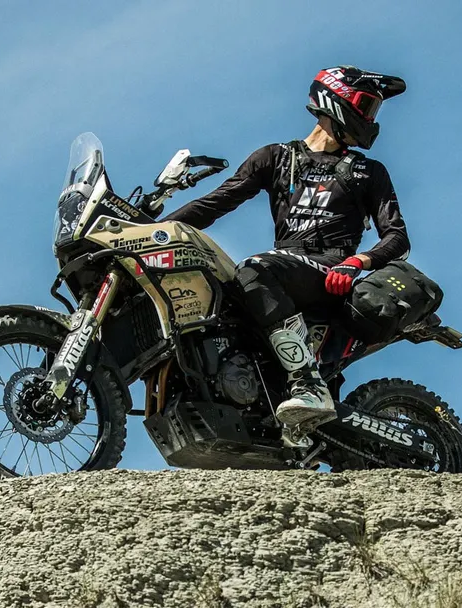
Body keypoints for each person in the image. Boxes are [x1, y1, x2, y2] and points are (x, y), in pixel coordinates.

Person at [164, 65, 410, 433]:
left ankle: (308, 383)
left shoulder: (367, 171)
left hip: (331, 265)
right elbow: (215, 203)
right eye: (366, 105)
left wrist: (359, 262)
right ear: (334, 97)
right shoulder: (274, 157)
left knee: (254, 268)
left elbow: (397, 237)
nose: (370, 118)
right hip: (288, 263)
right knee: (220, 291)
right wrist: (158, 230)